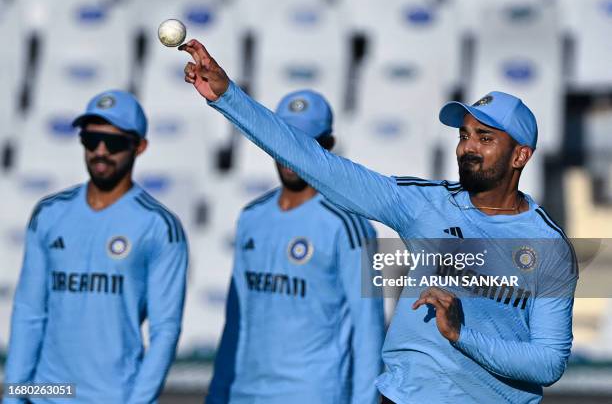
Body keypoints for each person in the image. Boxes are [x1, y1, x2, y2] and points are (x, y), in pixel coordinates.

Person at [179, 39, 578, 403]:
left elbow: (548, 363)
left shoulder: (550, 247)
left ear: (520, 156)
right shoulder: (423, 205)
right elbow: (316, 163)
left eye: (485, 138)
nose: (468, 148)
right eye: (464, 135)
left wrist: (461, 335)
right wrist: (228, 97)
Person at [4, 90, 188, 403]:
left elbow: (165, 331)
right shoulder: (49, 214)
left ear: (139, 146)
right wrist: (14, 396)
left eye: (114, 143)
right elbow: (29, 313)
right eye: (91, 140)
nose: (100, 151)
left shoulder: (158, 226)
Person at [207, 90, 385, 404]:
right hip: (245, 392)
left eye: (306, 142)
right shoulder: (251, 217)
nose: (292, 154)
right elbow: (237, 318)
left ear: (327, 146)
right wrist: (219, 391)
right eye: (285, 139)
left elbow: (368, 333)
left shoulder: (351, 226)